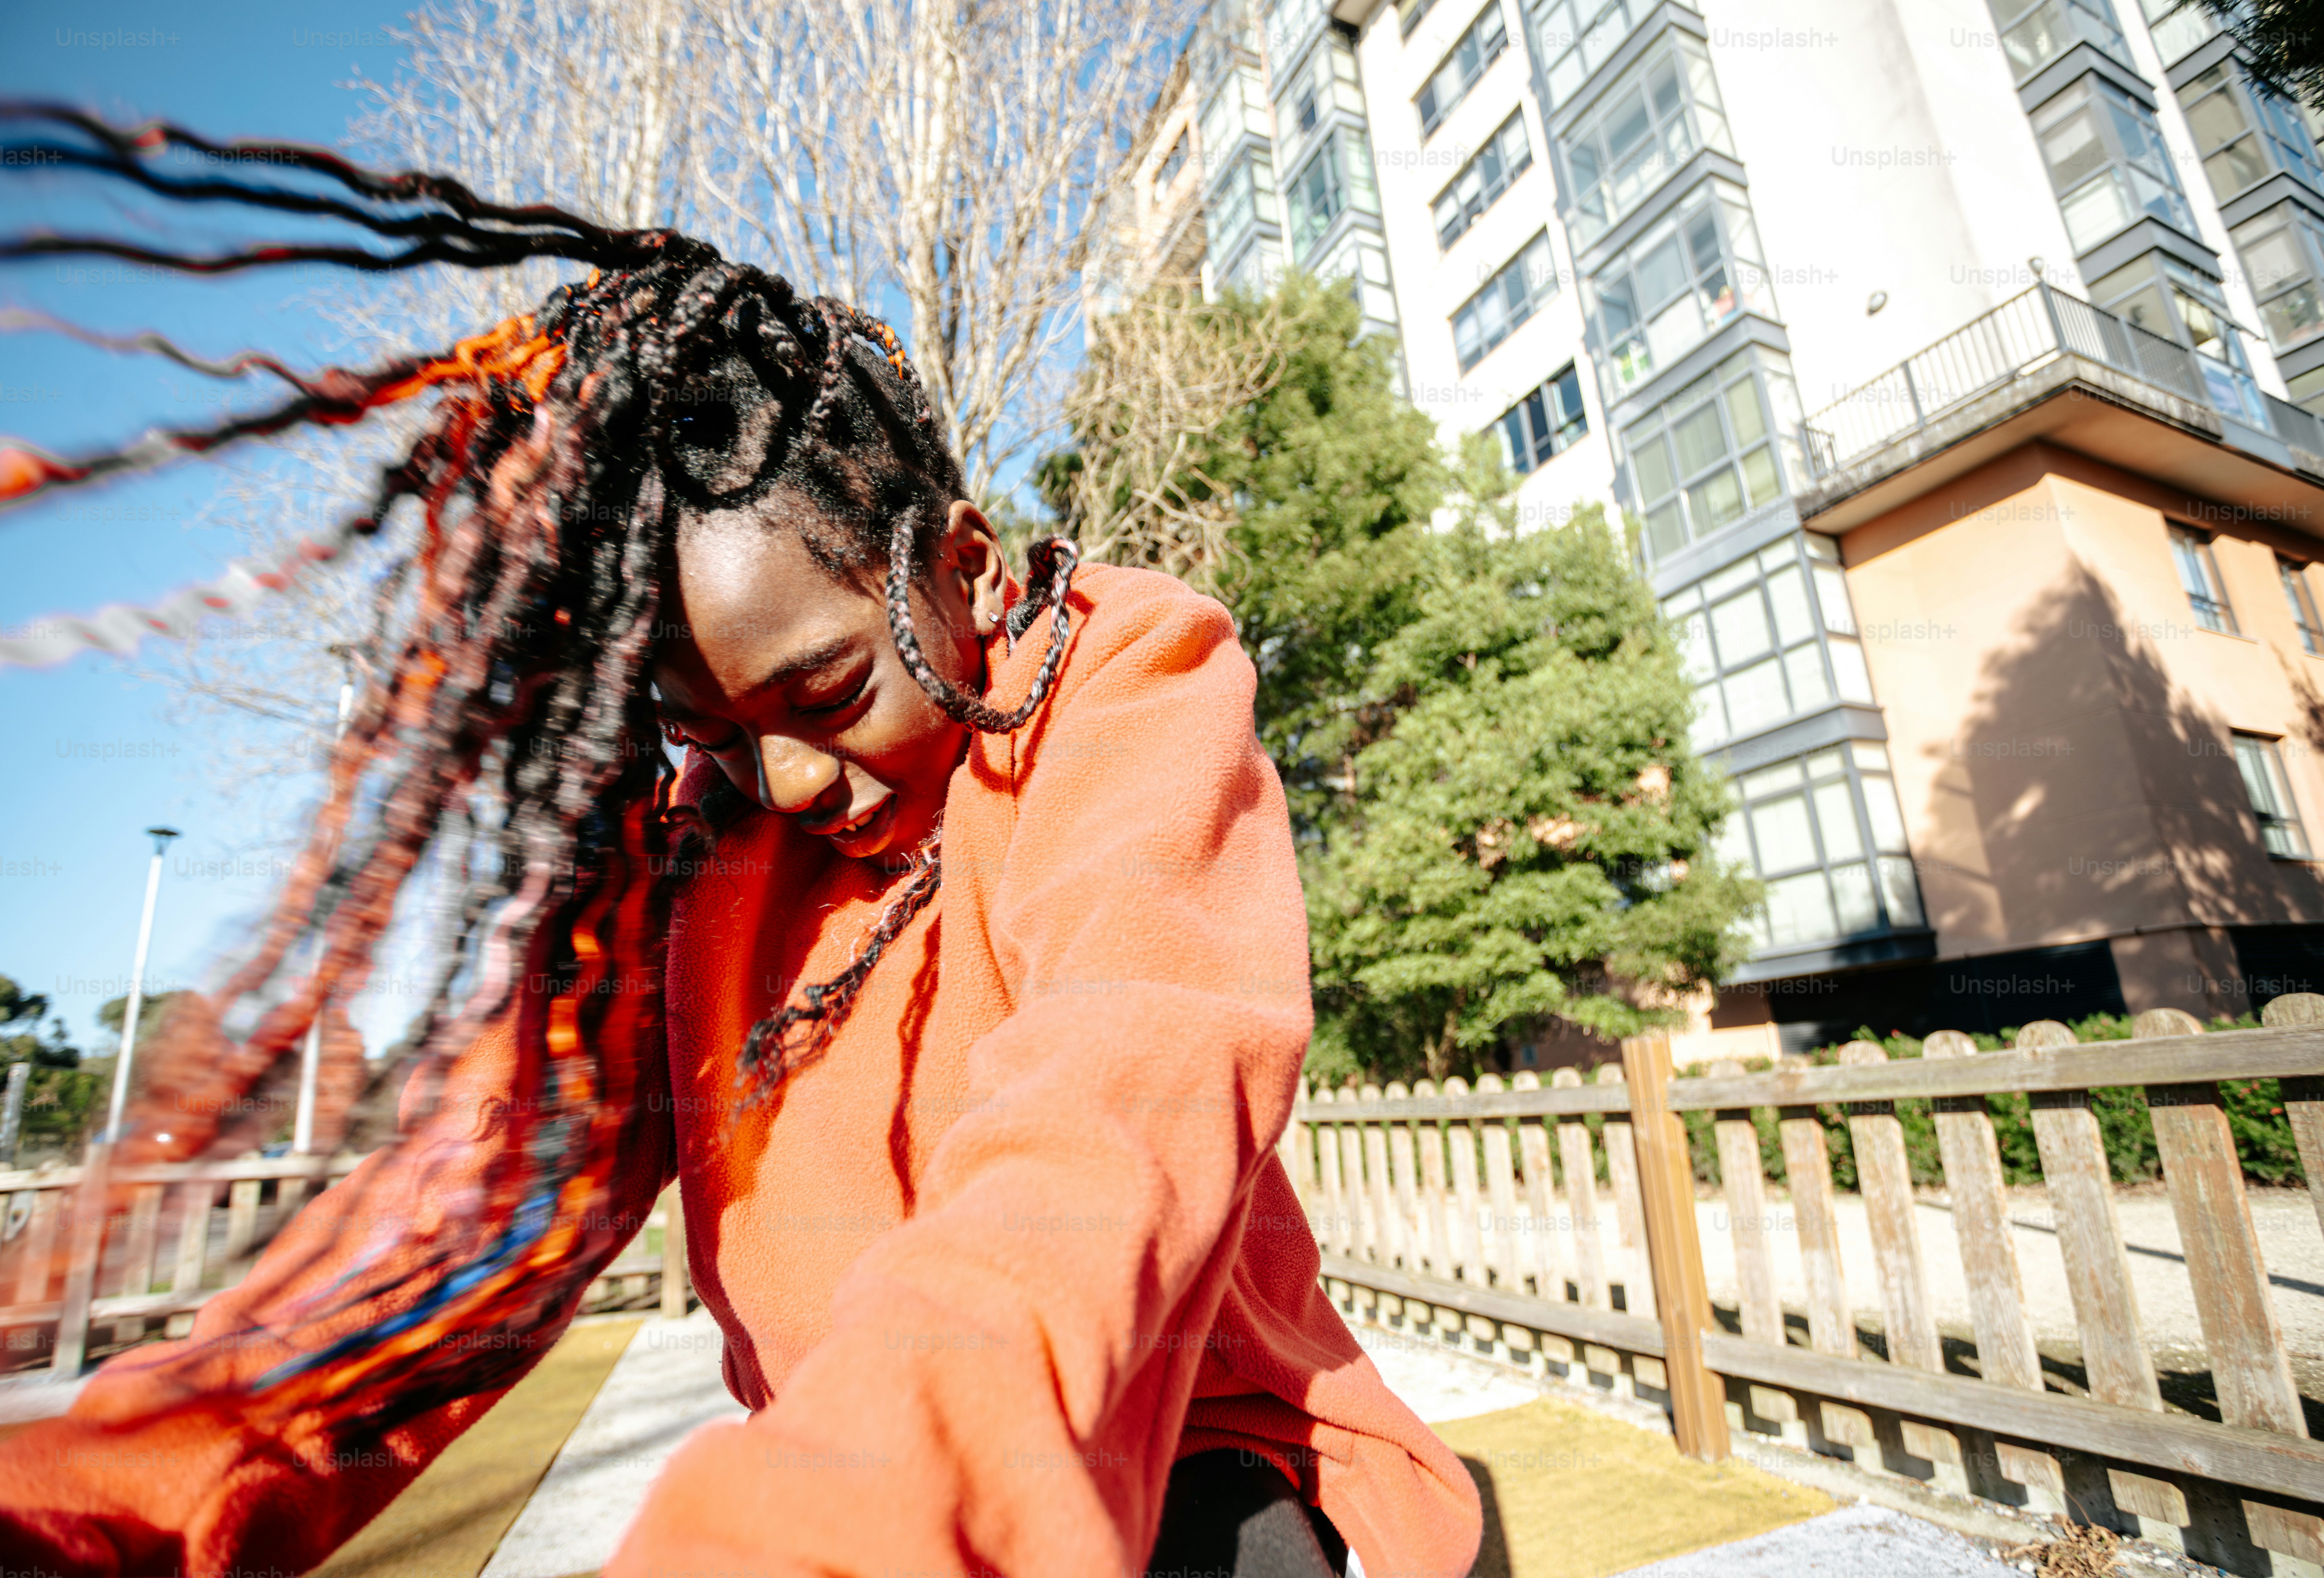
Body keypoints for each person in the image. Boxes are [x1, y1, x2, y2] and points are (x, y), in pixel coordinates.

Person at [0, 109, 1484, 1578]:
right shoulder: (684, 875)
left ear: (959, 563)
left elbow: (1118, 1105)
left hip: (1191, 1468)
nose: (778, 781)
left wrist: (835, 1504)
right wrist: (110, 1501)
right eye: (702, 731)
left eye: (827, 689)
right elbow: (449, 1249)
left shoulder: (1115, 684)